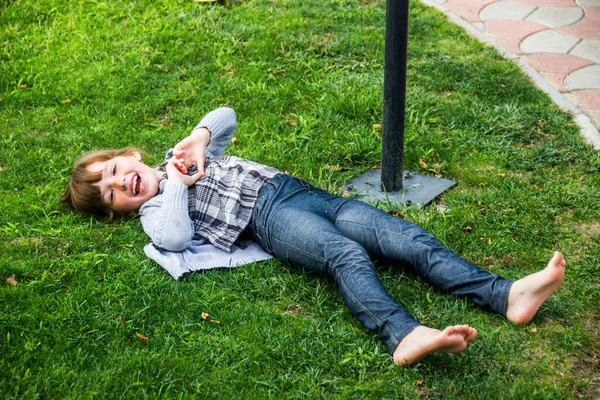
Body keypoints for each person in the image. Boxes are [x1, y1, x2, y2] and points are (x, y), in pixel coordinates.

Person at [60, 107, 566, 366]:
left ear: (129, 154)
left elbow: (225, 116)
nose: (119, 184)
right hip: (270, 220)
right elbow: (172, 237)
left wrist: (198, 138)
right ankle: (402, 333)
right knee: (345, 254)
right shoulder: (156, 208)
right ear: (119, 212)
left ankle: (504, 294)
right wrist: (173, 183)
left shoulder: (183, 150)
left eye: (114, 170)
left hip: (303, 193)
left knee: (406, 237)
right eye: (110, 195)